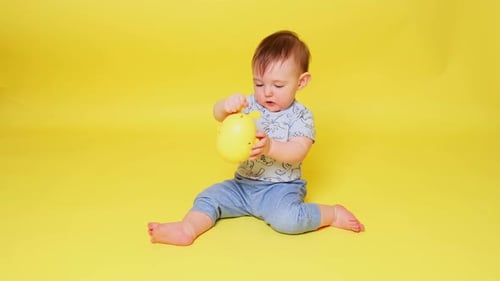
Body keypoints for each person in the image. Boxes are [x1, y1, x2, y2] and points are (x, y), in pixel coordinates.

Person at [148, 30, 364, 246]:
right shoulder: (251, 104)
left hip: (280, 189)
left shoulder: (301, 115)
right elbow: (218, 115)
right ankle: (187, 228)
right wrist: (225, 106)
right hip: (242, 186)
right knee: (208, 197)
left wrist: (269, 146)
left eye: (278, 85)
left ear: (301, 82)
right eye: (259, 84)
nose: (267, 92)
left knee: (288, 221)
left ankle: (332, 214)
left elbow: (298, 150)